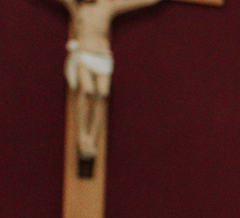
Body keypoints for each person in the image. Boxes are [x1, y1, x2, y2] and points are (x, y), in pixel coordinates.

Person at [54, 0, 165, 171]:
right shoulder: (76, 6)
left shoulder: (108, 6)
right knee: (88, 90)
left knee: (103, 94)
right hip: (84, 53)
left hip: (103, 56)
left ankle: (92, 137)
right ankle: (82, 134)